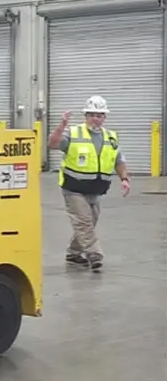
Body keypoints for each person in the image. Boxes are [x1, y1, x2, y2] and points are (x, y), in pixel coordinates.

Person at [47, 95, 131, 272]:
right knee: (84, 222)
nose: (96, 118)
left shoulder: (111, 137)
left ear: (104, 118)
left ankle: (74, 254)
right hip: (74, 188)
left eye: (100, 115)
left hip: (96, 190)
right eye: (92, 114)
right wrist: (61, 126)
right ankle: (95, 256)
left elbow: (119, 161)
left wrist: (124, 179)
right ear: (85, 116)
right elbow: (52, 144)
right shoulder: (73, 132)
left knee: (90, 222)